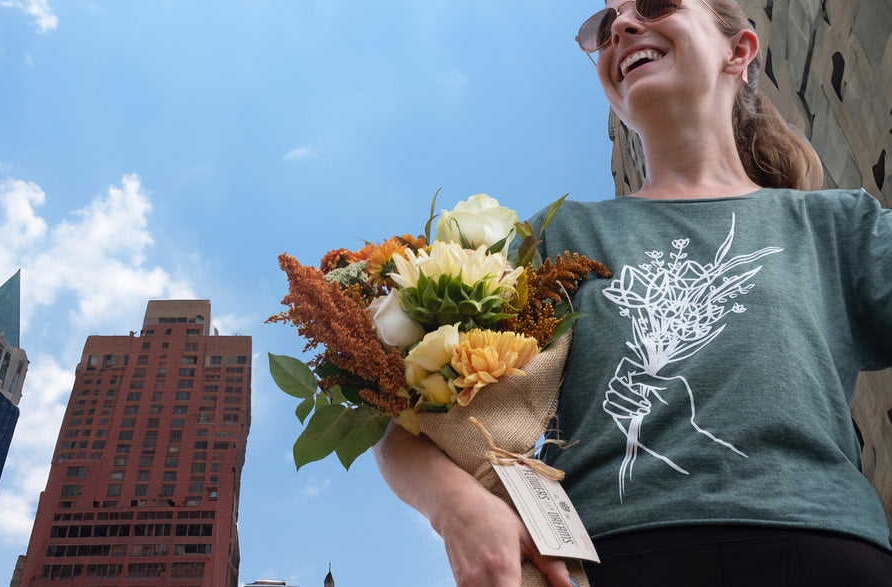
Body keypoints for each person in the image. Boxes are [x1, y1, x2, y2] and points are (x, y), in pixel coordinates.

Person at [373, 1, 892, 585]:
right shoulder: (560, 238)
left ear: (739, 51)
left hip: (819, 548)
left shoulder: (838, 226)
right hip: (603, 560)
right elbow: (405, 430)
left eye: (656, 4)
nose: (620, 26)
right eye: (603, 25)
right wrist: (459, 510)